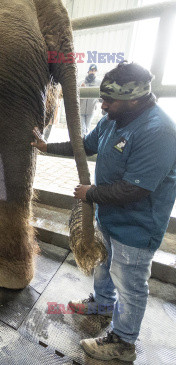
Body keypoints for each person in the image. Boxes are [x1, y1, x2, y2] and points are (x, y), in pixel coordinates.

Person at [31, 61, 176, 362]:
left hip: (136, 227)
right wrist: (46, 146)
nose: (102, 104)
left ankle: (123, 342)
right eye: (103, 97)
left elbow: (136, 189)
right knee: (104, 265)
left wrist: (91, 194)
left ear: (134, 99)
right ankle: (102, 304)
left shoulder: (158, 131)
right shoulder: (113, 120)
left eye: (109, 100)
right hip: (110, 218)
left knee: (130, 284)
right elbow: (83, 145)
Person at [79, 64, 102, 136]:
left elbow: (101, 95)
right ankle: (83, 143)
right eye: (91, 70)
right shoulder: (81, 82)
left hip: (91, 110)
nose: (92, 72)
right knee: (83, 128)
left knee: (87, 128)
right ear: (88, 71)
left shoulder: (99, 82)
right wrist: (81, 88)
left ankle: (84, 142)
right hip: (81, 109)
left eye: (94, 71)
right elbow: (75, 93)